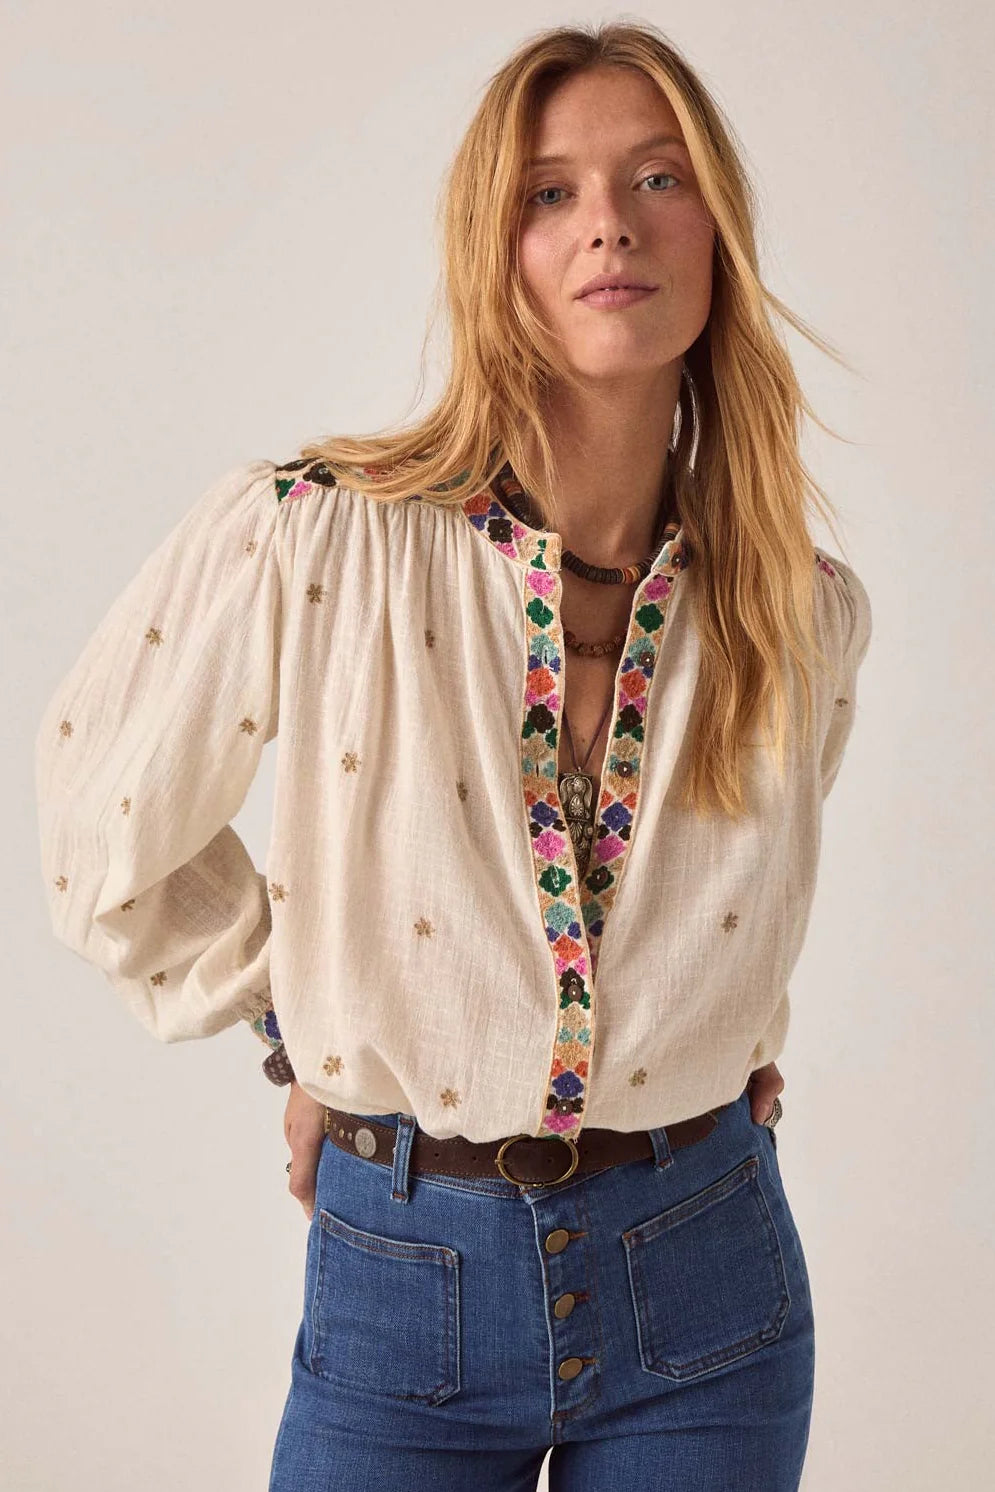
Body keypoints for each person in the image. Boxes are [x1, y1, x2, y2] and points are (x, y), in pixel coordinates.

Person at [34, 20, 872, 1491]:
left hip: (709, 1279)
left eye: (658, 177)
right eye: (550, 192)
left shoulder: (798, 611)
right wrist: (301, 1023)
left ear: (718, 231)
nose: (609, 222)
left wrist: (697, 1045)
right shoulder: (317, 538)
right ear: (495, 250)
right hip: (404, 1272)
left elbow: (735, 917)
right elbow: (100, 828)